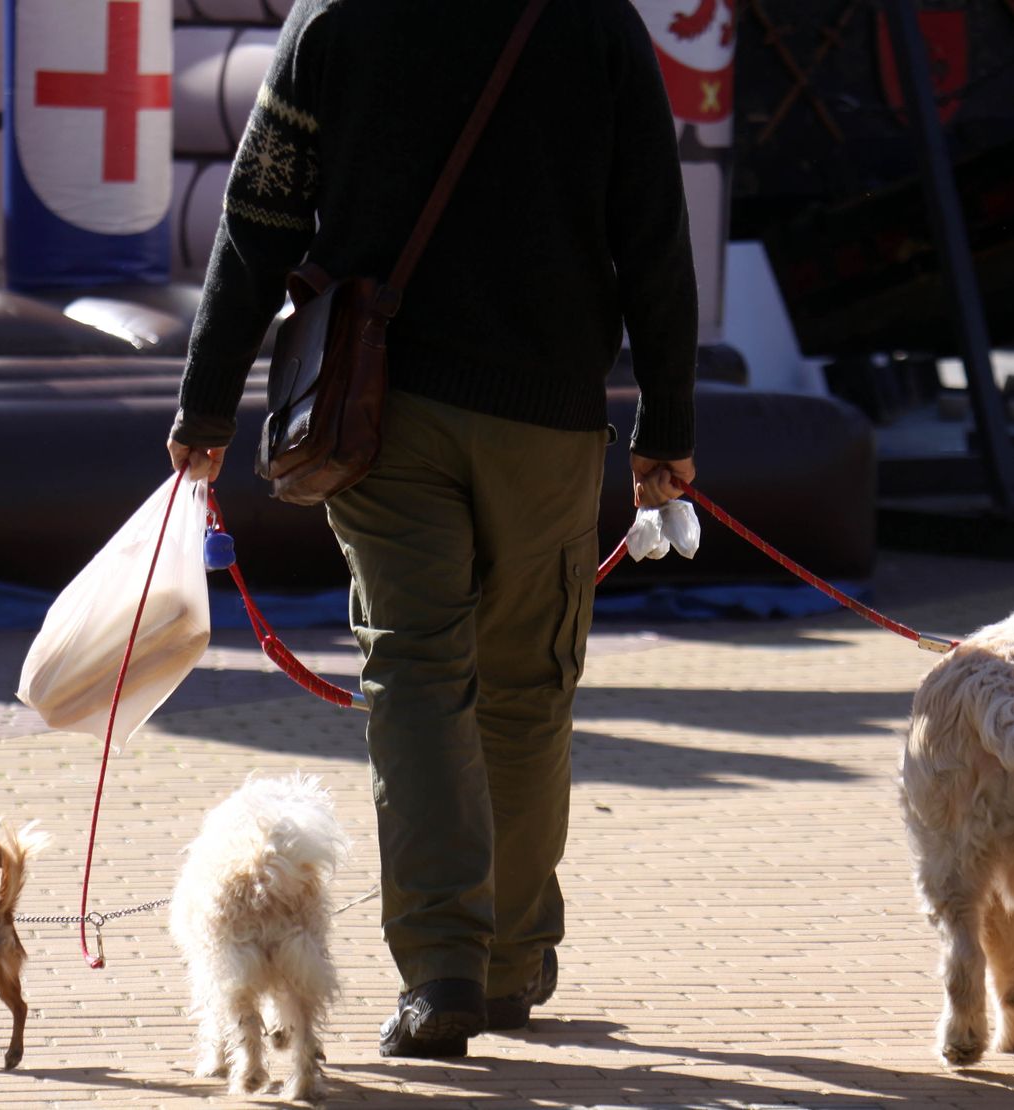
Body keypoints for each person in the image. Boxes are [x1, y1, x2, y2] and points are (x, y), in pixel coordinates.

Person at [166, 0, 697, 1059]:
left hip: (378, 411)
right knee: (528, 680)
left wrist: (208, 403)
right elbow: (651, 229)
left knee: (414, 673)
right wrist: (667, 426)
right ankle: (507, 958)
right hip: (546, 415)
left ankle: (441, 968)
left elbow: (260, 215)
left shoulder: (332, 18)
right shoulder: (594, 21)